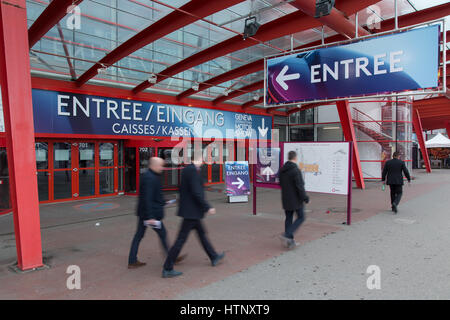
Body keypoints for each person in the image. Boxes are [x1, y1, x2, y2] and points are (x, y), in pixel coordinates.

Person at [162, 154, 225, 278]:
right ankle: (167, 267)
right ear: (196, 159)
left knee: (202, 235)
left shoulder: (187, 170)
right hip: (191, 212)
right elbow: (196, 192)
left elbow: (182, 189)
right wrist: (208, 207)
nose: (203, 161)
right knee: (181, 240)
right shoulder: (192, 171)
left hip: (191, 211)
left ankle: (213, 256)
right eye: (202, 159)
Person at [128, 157, 185, 269]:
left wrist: (165, 201)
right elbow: (147, 198)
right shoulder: (150, 178)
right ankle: (171, 257)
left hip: (144, 213)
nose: (162, 168)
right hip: (150, 214)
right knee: (162, 234)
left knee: (139, 236)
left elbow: (152, 196)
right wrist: (150, 217)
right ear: (153, 165)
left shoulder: (150, 175)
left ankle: (132, 260)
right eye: (160, 165)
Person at [279, 150, 309, 249]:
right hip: (296, 199)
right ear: (295, 158)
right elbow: (299, 186)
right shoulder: (296, 170)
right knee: (301, 217)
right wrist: (305, 197)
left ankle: (290, 242)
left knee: (288, 218)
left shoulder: (282, 170)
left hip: (286, 198)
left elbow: (281, 184)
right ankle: (287, 234)